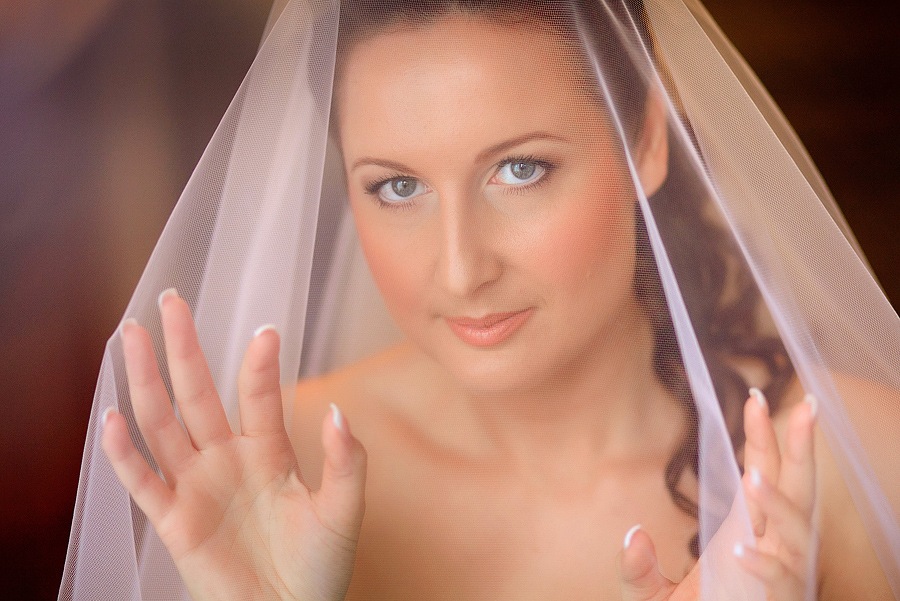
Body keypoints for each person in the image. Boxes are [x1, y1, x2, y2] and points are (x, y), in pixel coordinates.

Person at [65, 1, 900, 600]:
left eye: (520, 169)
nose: (462, 269)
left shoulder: (852, 465)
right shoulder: (277, 476)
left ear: (646, 139)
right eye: (397, 186)